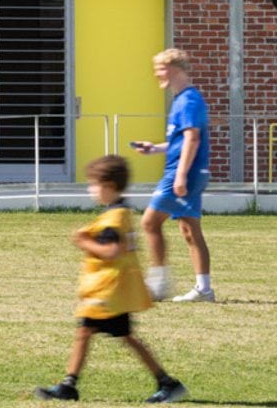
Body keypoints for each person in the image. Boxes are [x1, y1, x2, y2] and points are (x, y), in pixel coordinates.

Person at [33, 155, 188, 403]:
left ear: (109, 186)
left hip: (108, 292)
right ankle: (70, 384)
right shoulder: (118, 212)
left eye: (93, 185)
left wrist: (83, 240)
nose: (90, 190)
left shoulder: (113, 219)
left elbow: (112, 251)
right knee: (102, 333)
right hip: (111, 291)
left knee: (98, 333)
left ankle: (165, 381)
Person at [131, 48, 214, 303]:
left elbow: (192, 138)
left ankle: (158, 284)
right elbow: (180, 140)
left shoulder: (189, 100)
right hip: (188, 171)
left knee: (149, 222)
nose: (157, 75)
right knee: (189, 230)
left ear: (175, 69)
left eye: (160, 69)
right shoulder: (181, 100)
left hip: (183, 173)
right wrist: (155, 148)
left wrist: (180, 176)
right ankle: (204, 289)